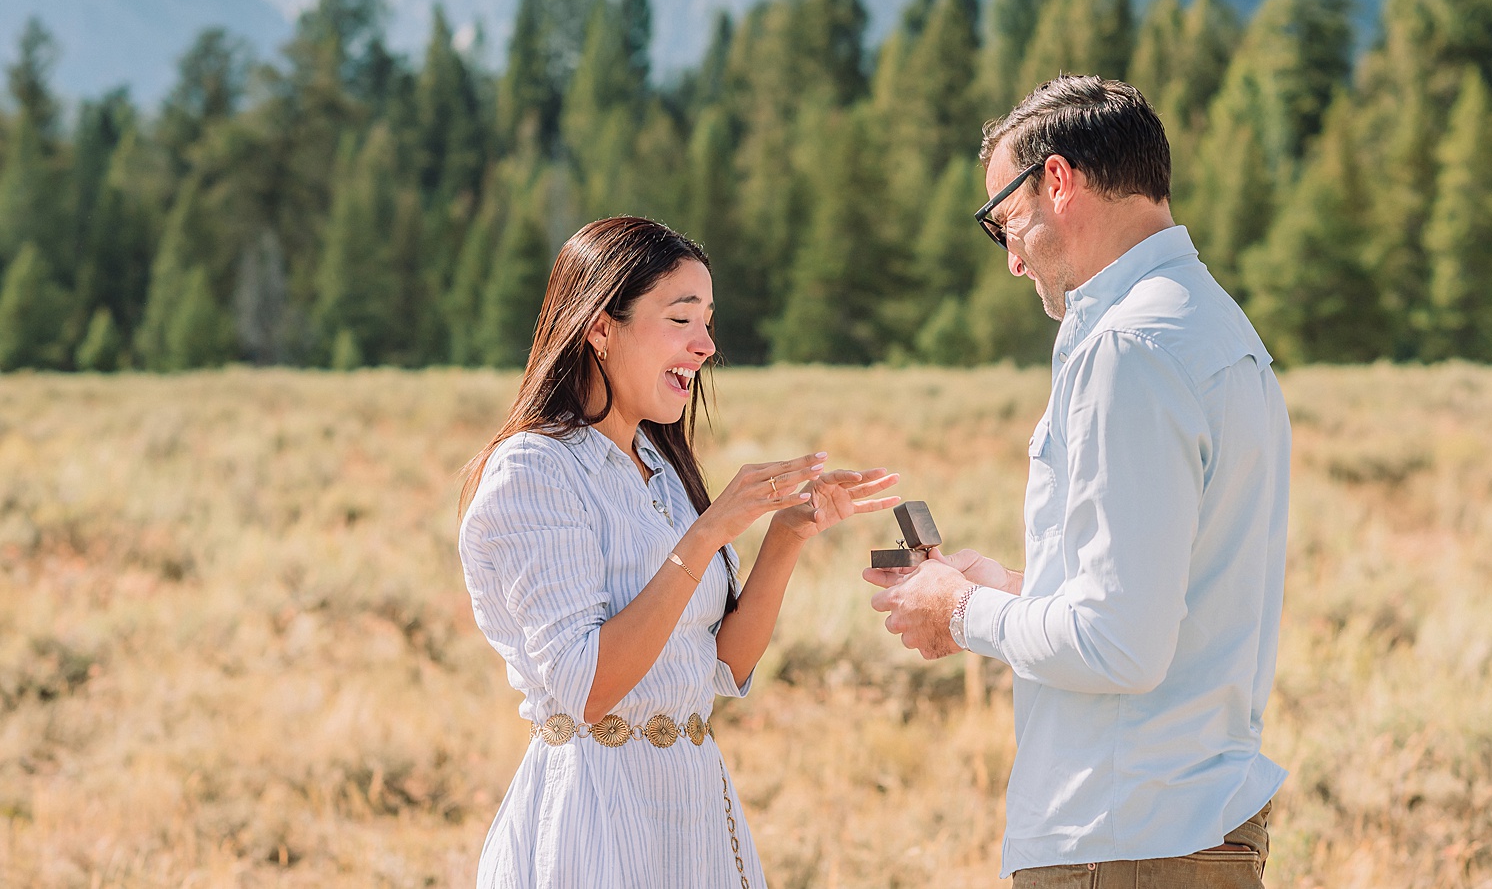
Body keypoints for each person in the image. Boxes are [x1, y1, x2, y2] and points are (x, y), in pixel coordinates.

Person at [865, 75, 1290, 887]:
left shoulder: (1126, 349)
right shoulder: (1214, 326)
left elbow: (1119, 646)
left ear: (1056, 182)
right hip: (1185, 830)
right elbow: (1157, 602)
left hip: (1122, 840)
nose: (1012, 256)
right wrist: (1011, 590)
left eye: (1003, 222)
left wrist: (959, 609)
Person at [460, 216, 900, 889]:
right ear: (600, 328)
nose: (706, 345)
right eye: (681, 320)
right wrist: (708, 533)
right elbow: (589, 690)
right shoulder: (535, 470)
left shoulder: (658, 470)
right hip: (596, 820)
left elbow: (721, 666)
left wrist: (784, 535)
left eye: (708, 322)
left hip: (692, 811)